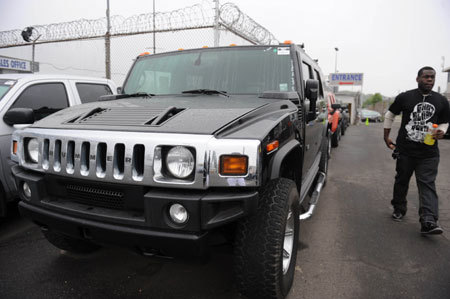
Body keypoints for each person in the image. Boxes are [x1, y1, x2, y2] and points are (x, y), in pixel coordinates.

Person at [383, 66, 450, 235]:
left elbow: (444, 121)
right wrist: (386, 136)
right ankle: (399, 208)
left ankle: (428, 220)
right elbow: (390, 115)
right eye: (426, 77)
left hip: (429, 153)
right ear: (417, 78)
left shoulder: (441, 100)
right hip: (405, 150)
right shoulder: (405, 97)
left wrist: (442, 131)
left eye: (432, 77)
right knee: (402, 180)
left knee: (427, 184)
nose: (430, 80)